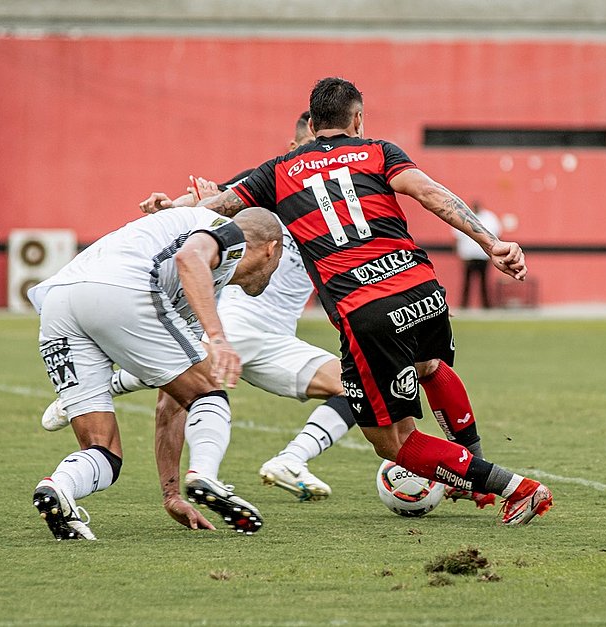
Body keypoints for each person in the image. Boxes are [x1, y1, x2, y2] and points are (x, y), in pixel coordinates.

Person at [186, 77, 553, 525]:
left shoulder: (279, 171)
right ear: (356, 118)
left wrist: (176, 207)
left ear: (312, 122)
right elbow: (431, 193)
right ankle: (470, 465)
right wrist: (490, 242)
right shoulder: (379, 151)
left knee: (392, 442)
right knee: (429, 368)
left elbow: (217, 207)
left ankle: (516, 489)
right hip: (423, 290)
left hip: (367, 311)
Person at [42, 112, 356, 504]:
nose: (330, 157)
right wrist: (171, 205)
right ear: (294, 149)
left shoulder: (342, 200)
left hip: (277, 337)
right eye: (317, 148)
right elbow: (210, 205)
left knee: (358, 386)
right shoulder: (268, 183)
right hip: (235, 323)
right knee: (188, 392)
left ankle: (291, 459)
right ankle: (185, 467)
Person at [28, 205, 283, 539]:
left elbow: (170, 404)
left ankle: (58, 488)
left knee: (103, 450)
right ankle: (205, 474)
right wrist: (218, 338)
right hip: (121, 287)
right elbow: (190, 259)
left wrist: (171, 494)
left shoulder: (198, 287)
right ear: (272, 250)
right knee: (209, 391)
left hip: (59, 302)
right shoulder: (227, 232)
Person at [454, 201, 502, 309]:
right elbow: (457, 237)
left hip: (483, 256)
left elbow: (497, 235)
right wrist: (459, 254)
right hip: (468, 256)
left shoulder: (489, 218)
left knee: (484, 282)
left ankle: (486, 305)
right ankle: (464, 305)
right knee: (467, 282)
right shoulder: (463, 215)